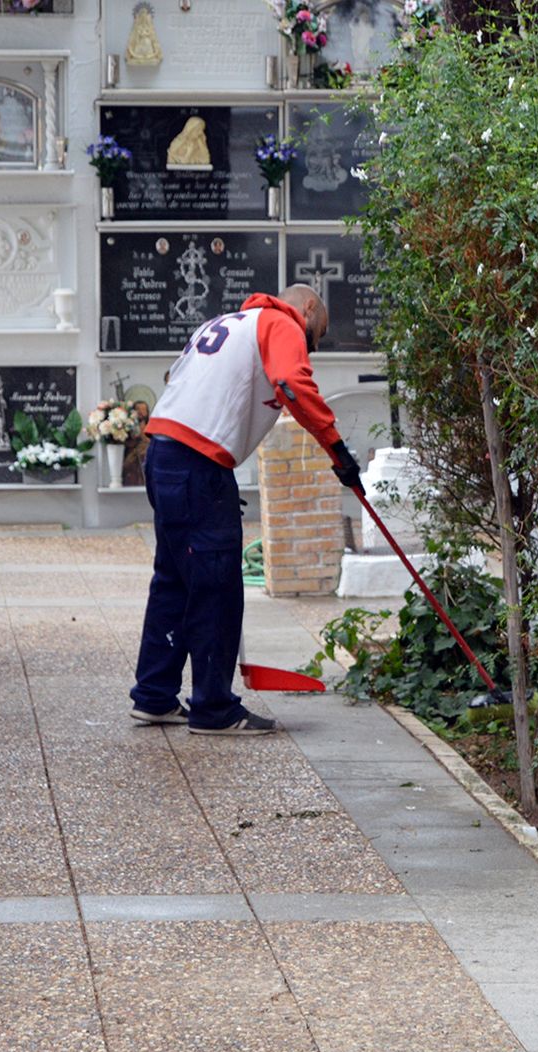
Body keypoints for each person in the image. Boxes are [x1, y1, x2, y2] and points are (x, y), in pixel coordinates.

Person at [129, 284, 362, 735]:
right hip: (198, 463)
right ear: (309, 307)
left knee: (175, 581)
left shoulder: (222, 324)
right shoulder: (282, 322)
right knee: (216, 587)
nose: (314, 343)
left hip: (163, 455)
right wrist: (338, 452)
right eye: (320, 334)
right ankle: (214, 708)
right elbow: (292, 383)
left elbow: (176, 380)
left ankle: (154, 696)